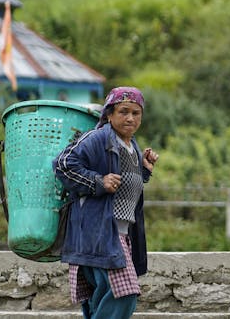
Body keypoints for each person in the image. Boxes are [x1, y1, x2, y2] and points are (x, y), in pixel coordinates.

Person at [53, 86, 159, 319]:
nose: (130, 118)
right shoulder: (98, 138)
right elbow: (62, 164)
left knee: (99, 300)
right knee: (123, 295)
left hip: (119, 235)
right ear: (109, 115)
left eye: (136, 113)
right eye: (123, 111)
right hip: (98, 234)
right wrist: (98, 182)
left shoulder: (131, 145)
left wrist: (144, 172)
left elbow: (121, 187)